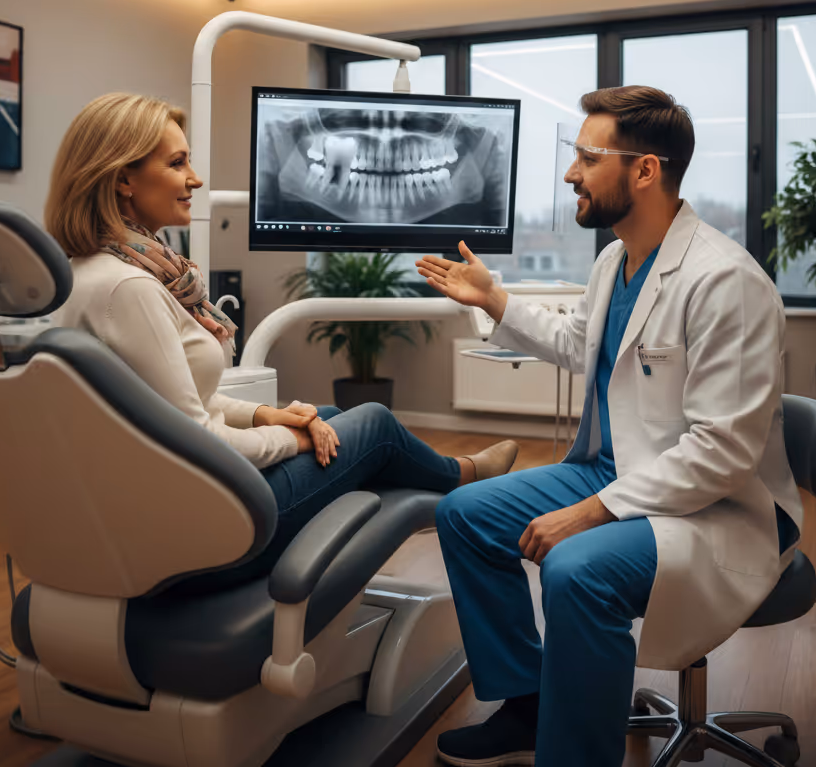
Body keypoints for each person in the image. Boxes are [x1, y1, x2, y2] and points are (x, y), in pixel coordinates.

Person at [416, 86, 804, 767]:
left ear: (645, 170)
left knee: (574, 570)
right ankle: (529, 705)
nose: (571, 173)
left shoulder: (725, 283)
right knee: (465, 514)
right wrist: (495, 297)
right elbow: (578, 344)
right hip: (616, 466)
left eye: (588, 158)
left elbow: (723, 452)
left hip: (715, 506)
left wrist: (592, 513)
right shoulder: (614, 258)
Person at [46, 92, 519, 579]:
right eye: (178, 162)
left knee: (332, 417)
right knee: (372, 424)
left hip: (170, 496)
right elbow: (197, 439)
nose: (196, 178)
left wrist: (265, 415)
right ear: (123, 177)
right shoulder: (131, 288)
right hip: (204, 527)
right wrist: (290, 438)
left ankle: (448, 478)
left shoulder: (97, 272)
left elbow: (173, 401)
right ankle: (461, 479)